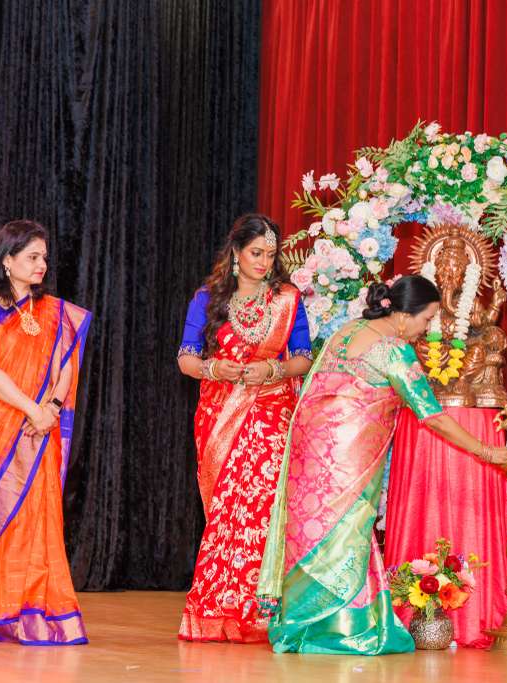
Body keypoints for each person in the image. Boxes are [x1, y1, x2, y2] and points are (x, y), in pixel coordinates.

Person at [259, 275, 507, 655]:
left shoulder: (348, 331)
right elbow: (432, 416)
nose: (426, 328)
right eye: (426, 319)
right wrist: (487, 451)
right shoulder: (394, 351)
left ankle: (300, 625)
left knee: (312, 530)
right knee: (346, 530)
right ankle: (340, 630)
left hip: (309, 447)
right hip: (348, 457)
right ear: (405, 314)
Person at [177, 213, 312, 643]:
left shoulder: (287, 299)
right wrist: (213, 368)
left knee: (264, 508)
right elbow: (186, 358)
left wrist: (273, 369)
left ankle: (263, 613)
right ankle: (218, 609)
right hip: (220, 414)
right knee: (225, 511)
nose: (264, 262)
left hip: (271, 412)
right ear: (236, 251)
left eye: (271, 254)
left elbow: (304, 357)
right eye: (256, 252)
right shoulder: (208, 298)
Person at [0, 220, 91, 645]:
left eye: (44, 257)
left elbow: (65, 361)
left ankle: (34, 609)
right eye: (32, 257)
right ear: (7, 260)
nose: (41, 265)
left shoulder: (52, 312)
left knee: (37, 517)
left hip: (39, 429)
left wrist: (50, 408)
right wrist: (32, 409)